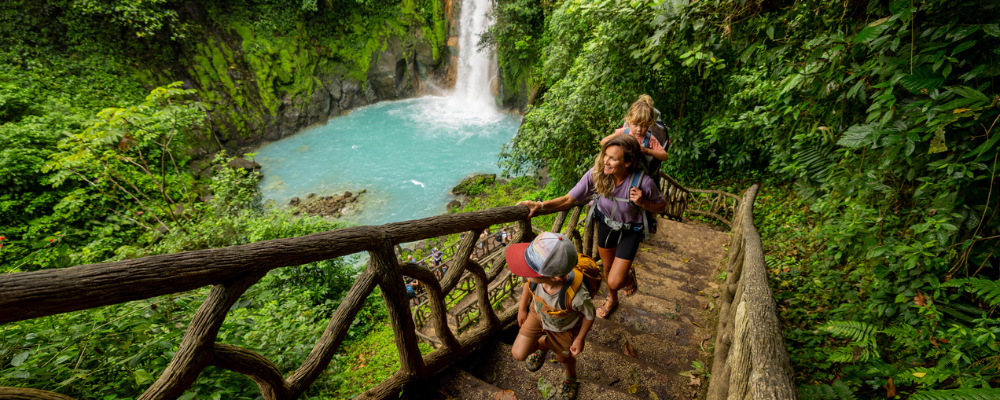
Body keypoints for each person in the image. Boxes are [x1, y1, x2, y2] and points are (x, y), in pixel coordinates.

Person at [518, 134, 666, 319]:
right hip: (605, 223)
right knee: (607, 267)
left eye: (613, 158)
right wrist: (539, 205)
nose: (606, 161)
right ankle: (612, 299)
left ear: (628, 162)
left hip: (631, 230)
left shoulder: (643, 183)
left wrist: (643, 202)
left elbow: (662, 206)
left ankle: (626, 275)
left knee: (614, 279)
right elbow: (567, 200)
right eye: (606, 155)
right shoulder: (596, 175)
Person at [507, 232, 595, 400]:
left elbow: (590, 315)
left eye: (530, 269)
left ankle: (570, 376)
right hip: (537, 315)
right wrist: (522, 309)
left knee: (563, 357)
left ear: (554, 277)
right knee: (518, 353)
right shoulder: (534, 278)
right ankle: (546, 345)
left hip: (564, 328)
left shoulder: (576, 296)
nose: (523, 272)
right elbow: (528, 284)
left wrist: (580, 338)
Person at [601, 95, 668, 169]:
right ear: (629, 121)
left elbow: (665, 156)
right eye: (635, 125)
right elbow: (603, 141)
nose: (639, 130)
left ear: (649, 124)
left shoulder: (649, 139)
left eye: (644, 126)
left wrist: (648, 151)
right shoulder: (623, 132)